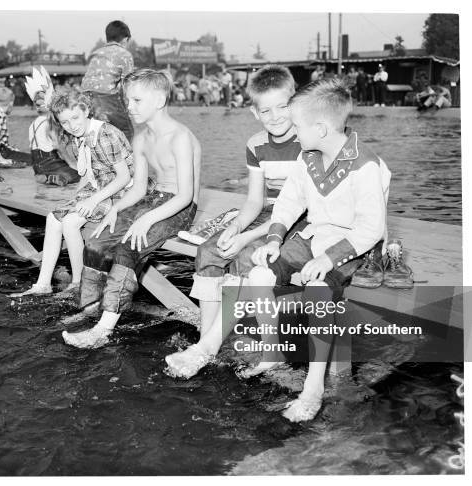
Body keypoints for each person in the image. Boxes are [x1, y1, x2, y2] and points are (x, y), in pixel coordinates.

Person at [248, 79, 390, 422]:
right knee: (259, 273)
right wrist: (274, 238)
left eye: (297, 125)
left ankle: (313, 385)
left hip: (353, 246)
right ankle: (271, 352)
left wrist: (326, 259)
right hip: (314, 237)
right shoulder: (308, 155)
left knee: (316, 289)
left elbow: (370, 229)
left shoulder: (366, 166)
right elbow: (289, 200)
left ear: (321, 128)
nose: (293, 131)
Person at [165, 65, 303, 379]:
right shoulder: (256, 145)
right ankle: (207, 339)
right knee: (211, 251)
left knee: (242, 256)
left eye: (283, 106)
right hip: (268, 213)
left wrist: (246, 238)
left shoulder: (306, 142)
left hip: (298, 218)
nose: (276, 116)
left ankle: (218, 342)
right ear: (254, 112)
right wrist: (236, 227)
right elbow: (255, 201)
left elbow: (294, 209)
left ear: (295, 103)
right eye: (266, 110)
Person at [61, 68, 200, 349]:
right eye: (127, 100)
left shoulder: (180, 137)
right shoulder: (141, 138)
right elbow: (138, 189)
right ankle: (89, 308)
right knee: (97, 241)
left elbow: (185, 196)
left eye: (136, 101)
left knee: (128, 247)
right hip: (152, 199)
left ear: (159, 100)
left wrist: (145, 220)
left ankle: (103, 329)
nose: (128, 107)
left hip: (178, 207)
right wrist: (115, 208)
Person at [9, 89, 134, 297]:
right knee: (53, 218)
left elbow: (124, 177)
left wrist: (92, 200)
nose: (72, 125)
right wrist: (74, 200)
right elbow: (88, 175)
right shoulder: (79, 136)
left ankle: (77, 283)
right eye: (65, 122)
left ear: (86, 110)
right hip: (100, 187)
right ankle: (43, 284)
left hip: (121, 192)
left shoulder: (104, 134)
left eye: (75, 118)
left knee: (70, 222)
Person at [24, 66, 80, 186]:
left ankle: (44, 176)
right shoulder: (50, 122)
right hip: (50, 161)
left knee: (55, 170)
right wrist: (71, 163)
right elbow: (58, 146)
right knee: (77, 174)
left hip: (37, 164)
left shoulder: (33, 123)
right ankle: (59, 177)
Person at [80, 20, 135, 142]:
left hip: (84, 97)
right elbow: (127, 85)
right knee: (127, 131)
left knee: (96, 132)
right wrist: (128, 107)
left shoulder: (96, 53)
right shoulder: (124, 54)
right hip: (105, 97)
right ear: (125, 39)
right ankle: (128, 159)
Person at [0, 87, 31, 164]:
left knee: (20, 154)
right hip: (0, 152)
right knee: (33, 159)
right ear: (11, 102)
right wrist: (0, 158)